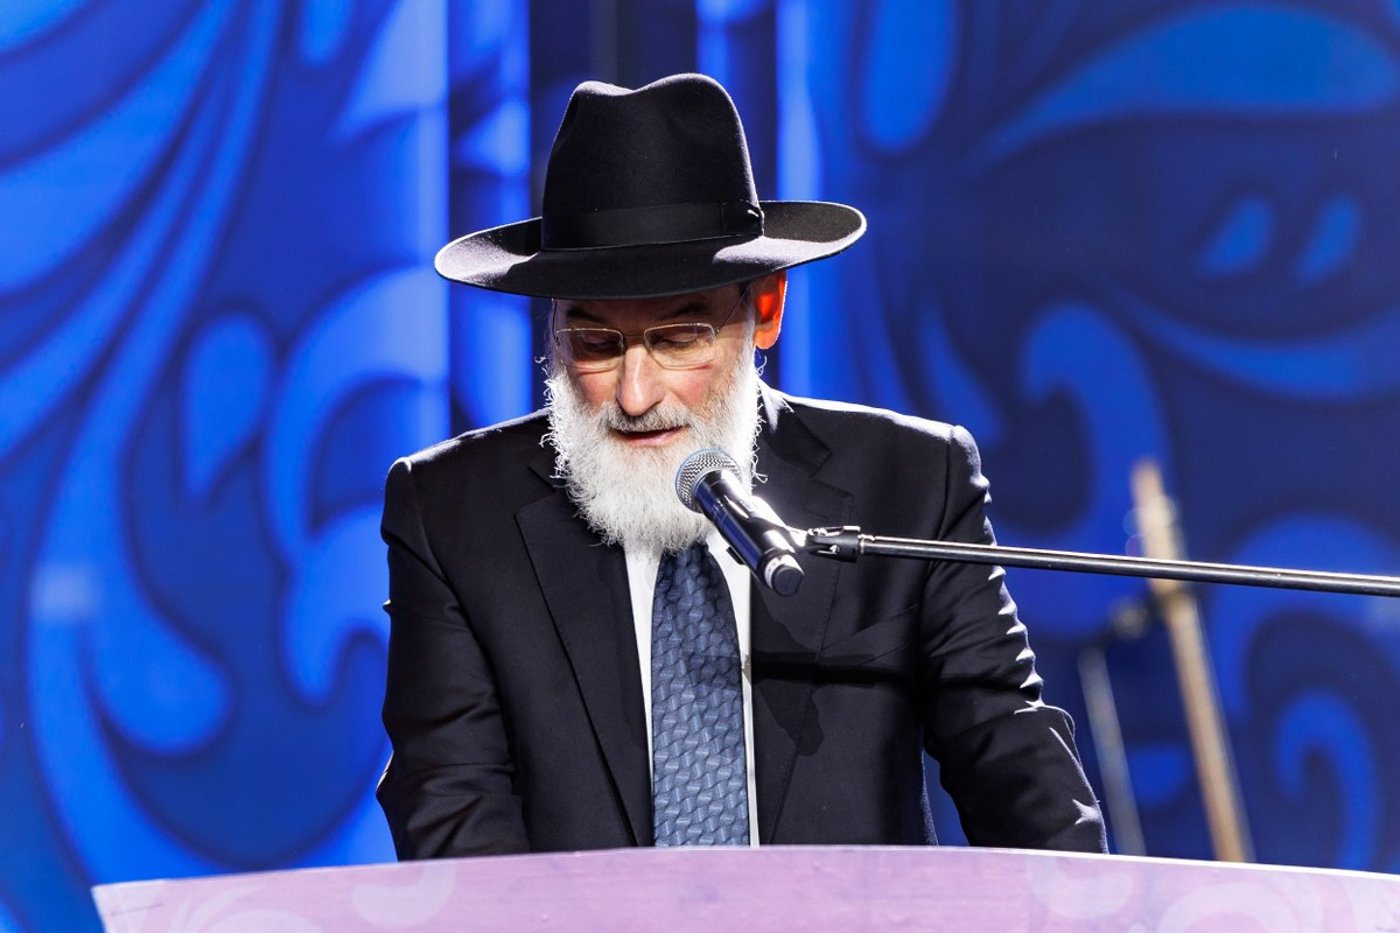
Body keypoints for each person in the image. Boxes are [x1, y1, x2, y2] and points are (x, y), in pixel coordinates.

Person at [377, 73, 1107, 857]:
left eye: (678, 337)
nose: (634, 393)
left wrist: (1091, 905)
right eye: (595, 343)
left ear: (765, 310)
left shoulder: (911, 483)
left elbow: (1014, 764)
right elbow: (455, 827)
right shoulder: (451, 513)